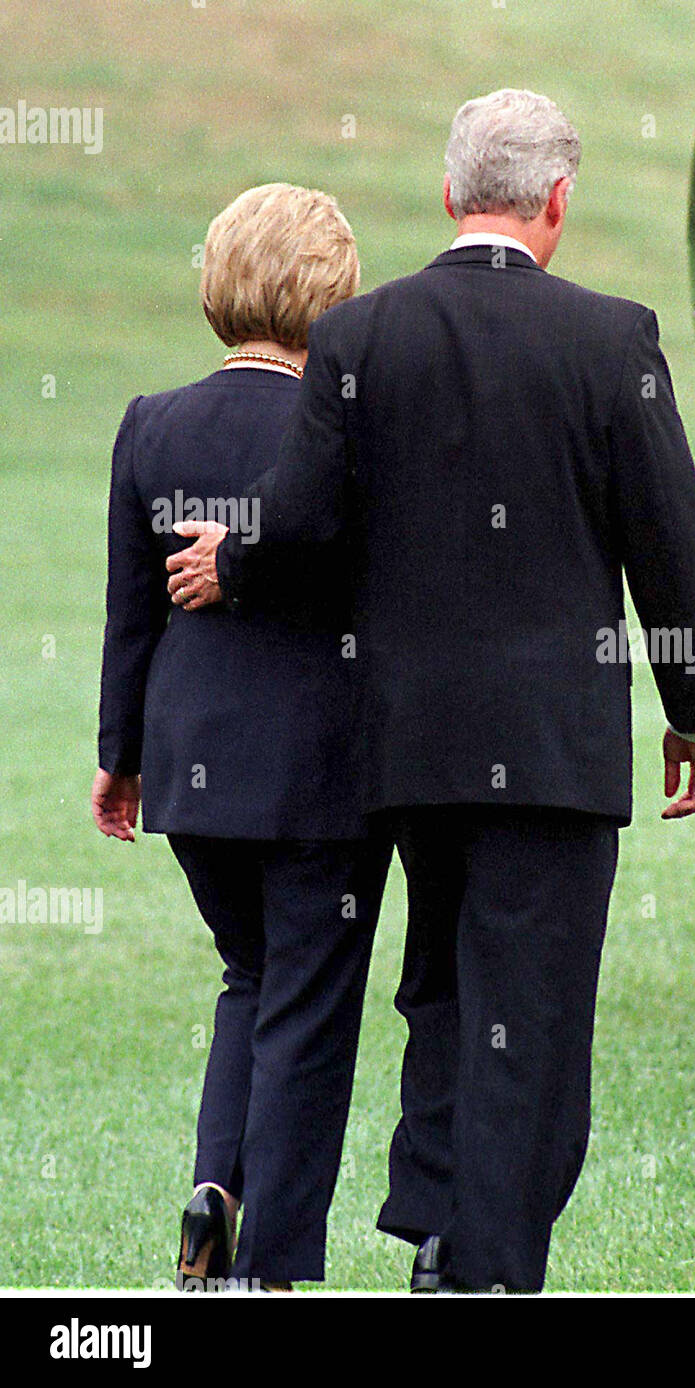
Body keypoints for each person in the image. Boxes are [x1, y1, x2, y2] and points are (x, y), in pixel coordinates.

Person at [165, 88, 695, 1291]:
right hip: (557, 747)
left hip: (405, 745)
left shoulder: (362, 336)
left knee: (440, 985)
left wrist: (233, 560)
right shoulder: (612, 336)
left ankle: (430, 1214)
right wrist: (691, 708)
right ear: (558, 201)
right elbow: (670, 539)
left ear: (448, 194)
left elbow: (304, 519)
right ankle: (477, 1262)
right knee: (534, 1010)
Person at [93, 182, 392, 1290]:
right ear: (333, 293)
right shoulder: (349, 426)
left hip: (188, 765)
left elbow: (132, 610)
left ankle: (214, 1189)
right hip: (323, 772)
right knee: (308, 1010)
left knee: (248, 975)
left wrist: (117, 754)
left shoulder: (149, 422)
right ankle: (275, 1265)